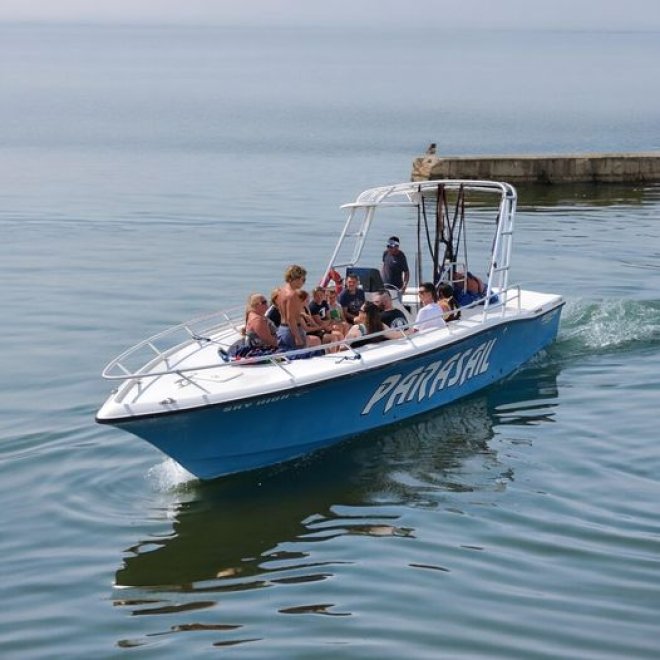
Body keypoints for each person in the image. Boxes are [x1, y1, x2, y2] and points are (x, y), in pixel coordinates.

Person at [276, 264, 321, 352]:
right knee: (300, 359)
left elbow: (285, 312)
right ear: (296, 278)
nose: (303, 282)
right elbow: (290, 318)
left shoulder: (281, 292)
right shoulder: (292, 295)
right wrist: (297, 337)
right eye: (303, 279)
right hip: (292, 331)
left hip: (282, 329)